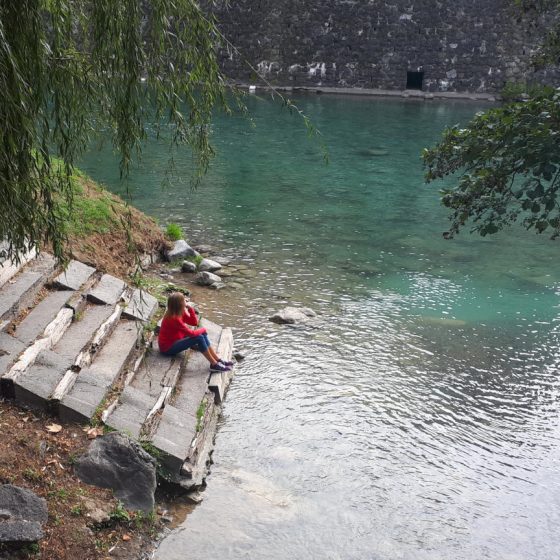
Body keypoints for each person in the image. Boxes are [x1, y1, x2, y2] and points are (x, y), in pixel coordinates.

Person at [158, 292, 233, 372]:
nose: (186, 301)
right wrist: (203, 330)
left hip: (176, 339)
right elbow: (191, 333)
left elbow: (194, 323)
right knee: (199, 337)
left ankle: (217, 359)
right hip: (167, 348)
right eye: (184, 300)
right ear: (180, 304)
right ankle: (214, 364)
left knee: (201, 335)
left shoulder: (179, 312)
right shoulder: (174, 318)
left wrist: (190, 309)